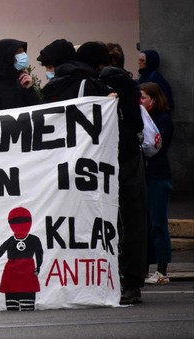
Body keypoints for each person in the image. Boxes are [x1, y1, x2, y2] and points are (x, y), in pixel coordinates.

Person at [97, 42, 148, 305]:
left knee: (116, 221)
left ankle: (120, 279)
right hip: (129, 158)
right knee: (132, 222)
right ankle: (132, 281)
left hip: (113, 160)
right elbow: (137, 122)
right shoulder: (127, 84)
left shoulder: (105, 83)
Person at [140, 82, 174, 285]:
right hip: (147, 176)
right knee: (146, 223)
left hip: (158, 176)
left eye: (143, 97)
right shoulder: (145, 118)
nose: (140, 101)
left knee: (158, 223)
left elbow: (156, 146)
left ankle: (162, 269)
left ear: (154, 98)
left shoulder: (163, 120)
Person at [0, 207, 43, 311]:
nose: (20, 225)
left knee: (25, 304)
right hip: (14, 272)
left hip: (21, 272)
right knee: (13, 305)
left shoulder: (32, 239)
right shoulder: (31, 239)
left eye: (23, 221)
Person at [0, 39, 40, 111]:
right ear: (7, 57)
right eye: (19, 52)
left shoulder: (22, 82)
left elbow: (38, 114)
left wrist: (30, 90)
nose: (23, 56)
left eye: (23, 51)